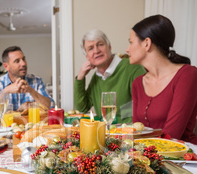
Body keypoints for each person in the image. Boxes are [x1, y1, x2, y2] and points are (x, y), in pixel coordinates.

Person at [128, 15, 197, 144]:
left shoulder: (187, 75)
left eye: (131, 42)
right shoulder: (138, 83)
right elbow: (137, 131)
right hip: (151, 157)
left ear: (147, 43)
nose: (127, 49)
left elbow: (172, 134)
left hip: (184, 159)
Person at [74, 30, 146, 123]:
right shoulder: (97, 78)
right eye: (91, 48)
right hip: (108, 134)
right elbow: (82, 107)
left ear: (109, 46)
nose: (96, 50)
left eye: (100, 44)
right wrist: (80, 77)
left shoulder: (132, 68)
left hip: (130, 133)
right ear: (87, 57)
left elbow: (145, 105)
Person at [0, 46, 55, 118]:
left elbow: (51, 106)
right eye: (17, 61)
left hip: (31, 128)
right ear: (6, 66)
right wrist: (6, 91)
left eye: (23, 59)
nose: (23, 63)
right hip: (4, 129)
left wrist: (30, 90)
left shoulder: (36, 81)